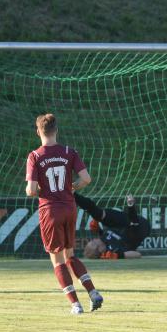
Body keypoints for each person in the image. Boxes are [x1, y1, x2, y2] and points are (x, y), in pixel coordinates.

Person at [25, 113, 103, 315]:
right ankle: (93, 292)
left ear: (38, 132)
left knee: (57, 260)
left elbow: (32, 190)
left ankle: (75, 305)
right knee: (70, 255)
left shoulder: (35, 156)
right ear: (56, 130)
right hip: (69, 208)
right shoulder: (69, 152)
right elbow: (86, 179)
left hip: (50, 210)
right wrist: (71, 188)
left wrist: (38, 191)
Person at [75, 193, 150, 260]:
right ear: (100, 249)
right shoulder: (113, 251)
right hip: (141, 228)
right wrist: (119, 255)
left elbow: (109, 235)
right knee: (133, 230)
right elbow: (137, 254)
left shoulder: (102, 239)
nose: (94, 240)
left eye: (91, 241)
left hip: (126, 221)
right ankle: (131, 206)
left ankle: (74, 195)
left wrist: (98, 228)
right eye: (94, 243)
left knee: (98, 215)